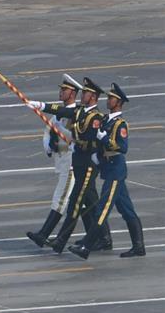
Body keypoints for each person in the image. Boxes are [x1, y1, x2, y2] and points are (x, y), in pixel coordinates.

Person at [27, 77, 111, 253]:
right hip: (78, 162)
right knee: (90, 203)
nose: (83, 95)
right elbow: (60, 110)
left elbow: (90, 138)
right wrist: (40, 106)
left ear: (93, 97)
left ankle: (60, 240)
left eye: (86, 93)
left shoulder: (95, 117)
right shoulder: (80, 112)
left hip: (87, 163)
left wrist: (73, 143)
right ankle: (101, 238)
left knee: (75, 203)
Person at [69, 83, 145, 259]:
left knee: (102, 209)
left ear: (118, 102)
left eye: (111, 98)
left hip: (115, 171)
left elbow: (123, 148)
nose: (108, 100)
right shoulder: (105, 120)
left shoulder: (120, 124)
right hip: (108, 169)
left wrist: (106, 140)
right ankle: (139, 247)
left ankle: (86, 247)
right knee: (127, 210)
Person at [26, 74, 80, 248]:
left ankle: (43, 235)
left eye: (64, 90)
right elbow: (48, 131)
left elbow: (73, 136)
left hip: (72, 164)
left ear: (72, 93)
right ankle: (103, 238)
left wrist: (42, 107)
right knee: (86, 204)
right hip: (61, 161)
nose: (61, 92)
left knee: (60, 199)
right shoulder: (58, 113)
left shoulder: (76, 113)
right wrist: (49, 145)